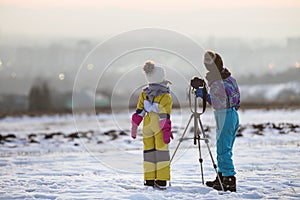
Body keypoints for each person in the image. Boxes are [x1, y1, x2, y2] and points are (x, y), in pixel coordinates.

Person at [196, 50, 240, 192]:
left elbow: (218, 103)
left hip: (224, 115)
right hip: (233, 115)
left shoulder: (216, 83)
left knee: (222, 149)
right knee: (225, 147)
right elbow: (235, 99)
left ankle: (229, 179)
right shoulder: (230, 79)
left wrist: (204, 96)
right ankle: (221, 176)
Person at [131, 60, 173, 189]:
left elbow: (140, 111)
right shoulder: (165, 96)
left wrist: (135, 125)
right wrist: (166, 130)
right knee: (158, 152)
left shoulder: (145, 93)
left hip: (149, 125)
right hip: (157, 126)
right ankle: (157, 179)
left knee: (151, 152)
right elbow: (164, 115)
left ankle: (153, 179)